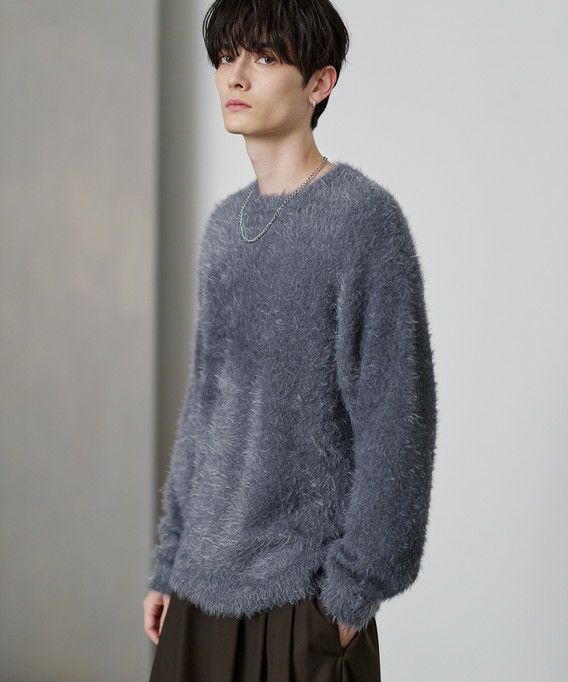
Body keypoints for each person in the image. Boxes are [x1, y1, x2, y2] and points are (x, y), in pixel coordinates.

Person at [143, 1, 438, 680]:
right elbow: (206, 414)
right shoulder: (225, 228)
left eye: (265, 58)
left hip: (300, 604)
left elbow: (398, 422)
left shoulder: (363, 221)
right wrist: (169, 562)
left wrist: (348, 601)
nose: (235, 76)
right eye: (226, 57)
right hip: (196, 592)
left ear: (320, 82)